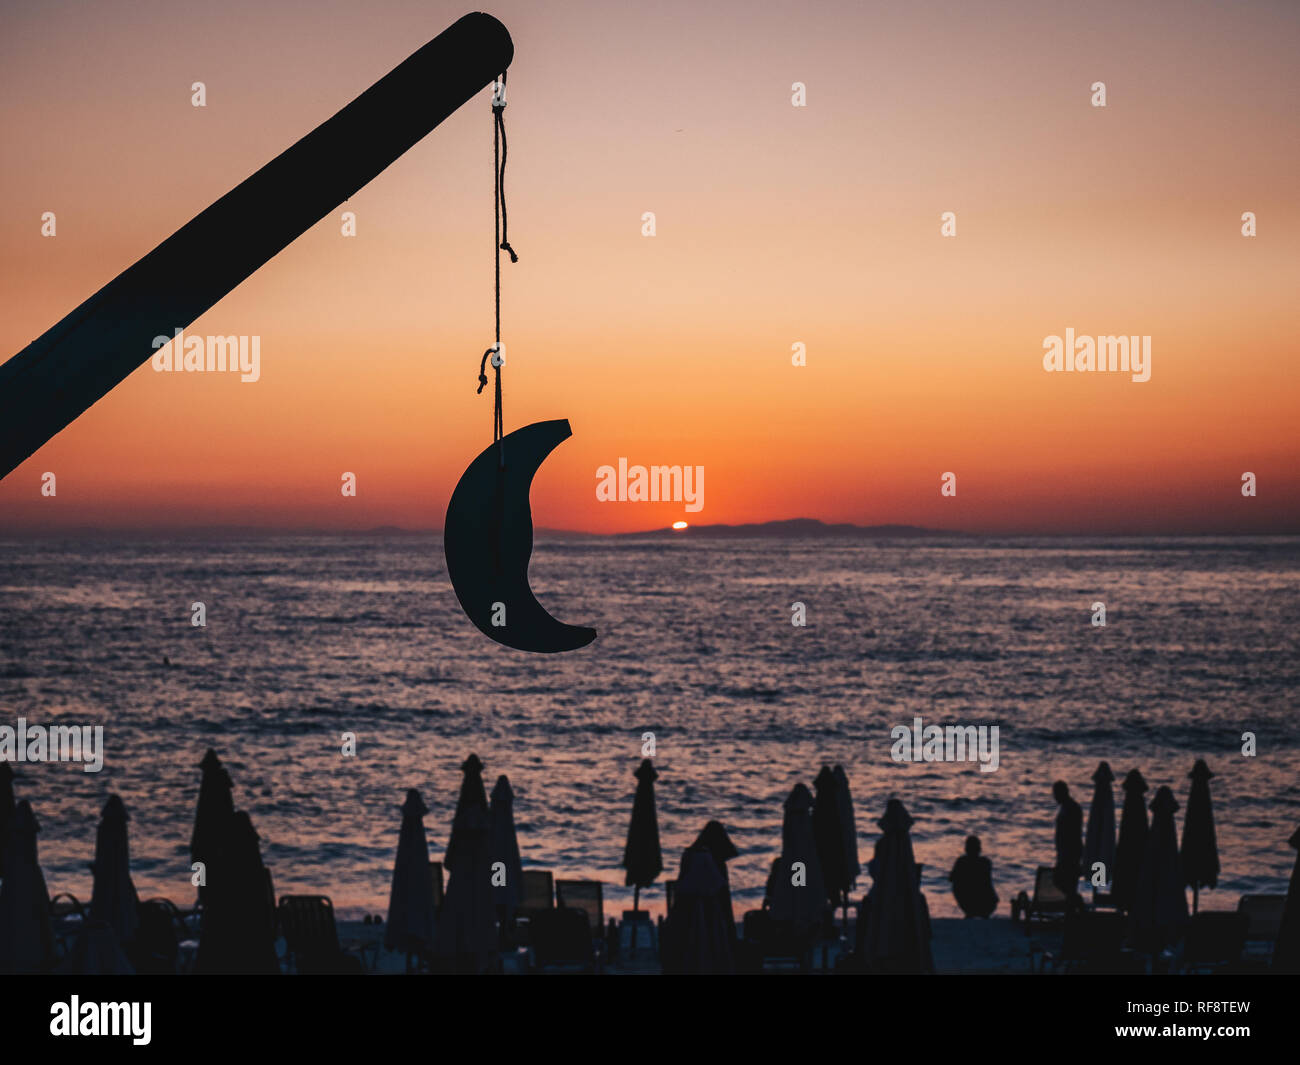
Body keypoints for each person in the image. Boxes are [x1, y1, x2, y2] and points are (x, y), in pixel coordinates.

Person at [949, 836, 998, 918]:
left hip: (969, 902)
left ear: (966, 848)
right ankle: (979, 913)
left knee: (957, 884)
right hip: (988, 904)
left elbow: (951, 879)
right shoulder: (985, 862)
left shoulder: (961, 862)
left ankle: (970, 912)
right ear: (979, 849)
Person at [1053, 780, 1083, 901]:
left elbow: (1073, 833)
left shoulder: (1071, 808)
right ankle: (1073, 903)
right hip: (1067, 852)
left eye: (1055, 793)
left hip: (1070, 853)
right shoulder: (1068, 807)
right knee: (1066, 883)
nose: (1054, 797)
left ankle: (1075, 901)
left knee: (1063, 881)